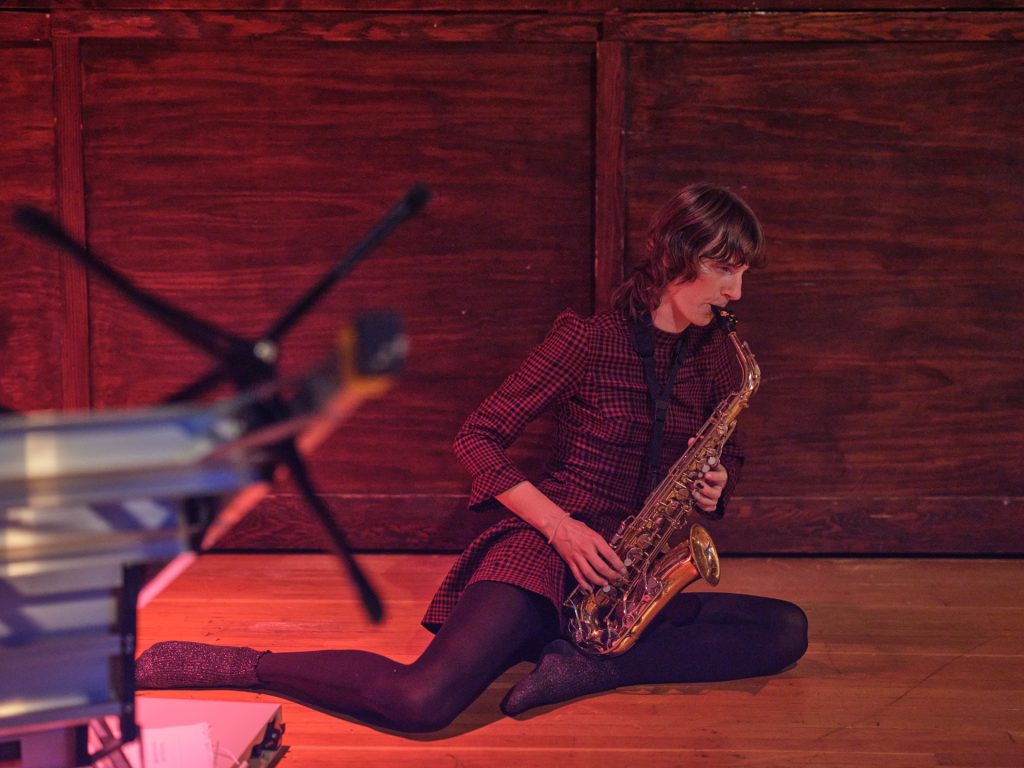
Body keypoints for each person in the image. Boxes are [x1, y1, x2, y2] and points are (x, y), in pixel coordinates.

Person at [136, 183, 808, 733]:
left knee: (786, 630)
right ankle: (242, 663)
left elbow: (730, 456)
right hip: (550, 544)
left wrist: (716, 489)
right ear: (675, 257)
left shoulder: (722, 357)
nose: (736, 292)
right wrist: (562, 528)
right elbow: (476, 436)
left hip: (632, 569)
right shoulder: (587, 340)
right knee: (420, 700)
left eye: (743, 271)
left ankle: (592, 661)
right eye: (724, 267)